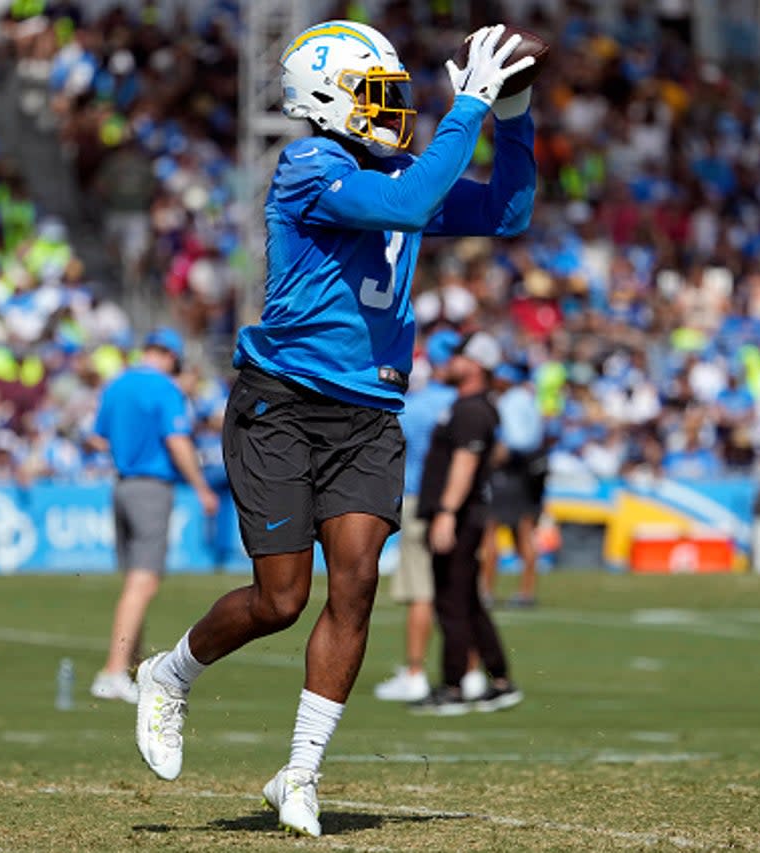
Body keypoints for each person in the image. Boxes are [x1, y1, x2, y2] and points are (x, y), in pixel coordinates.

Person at [132, 20, 537, 838]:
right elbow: (413, 200)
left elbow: (508, 211)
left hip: (368, 411)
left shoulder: (392, 169)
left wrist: (515, 118)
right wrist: (469, 111)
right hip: (282, 401)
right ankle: (169, 673)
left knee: (356, 582)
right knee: (282, 598)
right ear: (324, 99)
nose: (391, 112)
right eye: (373, 95)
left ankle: (302, 773)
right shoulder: (309, 164)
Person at [88, 329, 219, 703]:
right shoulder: (165, 389)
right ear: (171, 358)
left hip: (123, 484)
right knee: (143, 583)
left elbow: (98, 438)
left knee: (134, 582)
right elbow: (177, 440)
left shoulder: (115, 386)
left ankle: (131, 667)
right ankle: (114, 671)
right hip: (151, 487)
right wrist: (200, 487)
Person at [413, 332, 524, 715]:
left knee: (452, 601)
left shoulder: (472, 410)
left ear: (475, 364)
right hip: (460, 514)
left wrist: (445, 511)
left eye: (460, 356)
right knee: (469, 602)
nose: (452, 362)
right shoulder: (467, 406)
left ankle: (453, 686)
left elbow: (465, 464)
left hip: (458, 517)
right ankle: (500, 680)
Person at [374, 328, 486, 703]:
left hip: (425, 500)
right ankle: (470, 672)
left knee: (421, 591)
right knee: (460, 592)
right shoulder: (466, 402)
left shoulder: (420, 404)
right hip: (466, 504)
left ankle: (416, 672)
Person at [479, 361, 547, 608]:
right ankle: (526, 591)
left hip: (509, 472)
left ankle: (486, 590)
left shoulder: (510, 402)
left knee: (491, 529)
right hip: (527, 472)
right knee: (525, 529)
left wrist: (496, 453)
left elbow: (515, 440)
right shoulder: (527, 399)